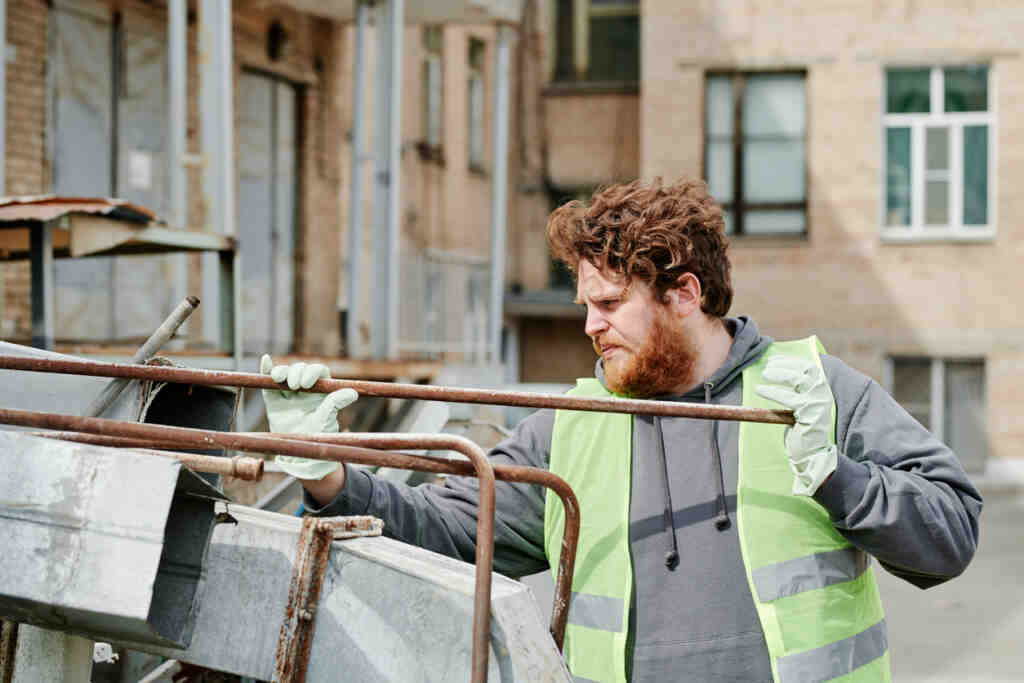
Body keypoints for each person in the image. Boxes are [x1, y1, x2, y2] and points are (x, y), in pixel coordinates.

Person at [261, 177, 982, 683]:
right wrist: (324, 470)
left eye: (609, 302)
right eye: (585, 303)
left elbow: (950, 534)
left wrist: (837, 475)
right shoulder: (577, 426)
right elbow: (450, 529)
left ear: (685, 293)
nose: (588, 325)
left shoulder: (813, 391)